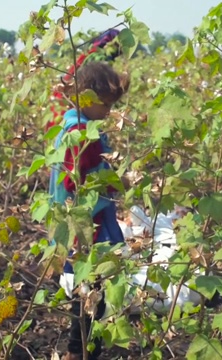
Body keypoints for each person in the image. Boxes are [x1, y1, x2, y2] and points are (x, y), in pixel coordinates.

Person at [48, 61, 130, 360]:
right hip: (86, 227)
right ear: (84, 98)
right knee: (93, 292)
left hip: (87, 222)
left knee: (89, 291)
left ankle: (82, 351)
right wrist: (117, 181)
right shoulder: (80, 133)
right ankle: (79, 352)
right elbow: (76, 183)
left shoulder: (77, 126)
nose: (108, 111)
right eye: (104, 104)